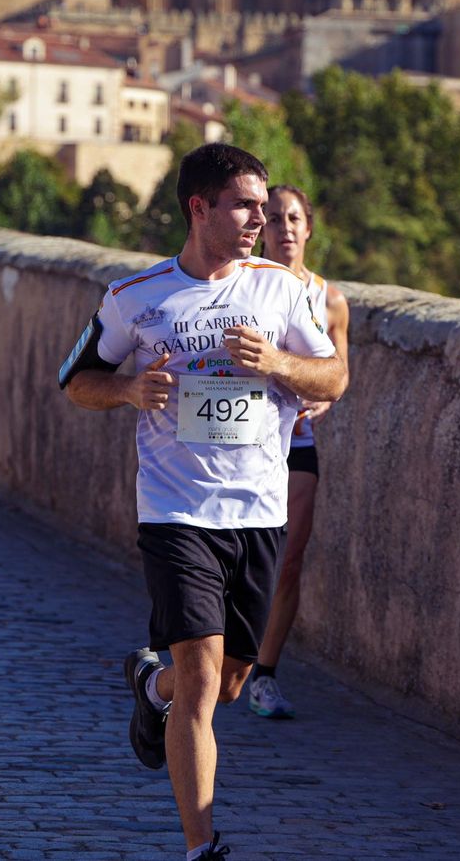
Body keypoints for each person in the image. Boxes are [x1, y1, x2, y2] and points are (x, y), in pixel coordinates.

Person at [61, 143, 347, 860]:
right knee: (201, 678)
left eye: (263, 207)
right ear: (199, 208)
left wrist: (277, 363)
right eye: (245, 206)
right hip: (175, 512)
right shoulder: (136, 297)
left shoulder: (283, 292)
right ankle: (201, 848)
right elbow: (76, 381)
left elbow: (334, 378)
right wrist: (129, 389)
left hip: (258, 511)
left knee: (229, 683)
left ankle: (150, 688)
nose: (260, 220)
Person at [245, 185, 350, 720]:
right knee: (237, 554)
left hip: (299, 442)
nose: (284, 228)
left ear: (308, 228)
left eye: (293, 218)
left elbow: (338, 373)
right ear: (261, 229)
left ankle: (264, 674)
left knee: (289, 560)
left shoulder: (330, 300)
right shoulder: (243, 287)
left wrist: (325, 400)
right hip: (245, 439)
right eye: (274, 219)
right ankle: (219, 655)